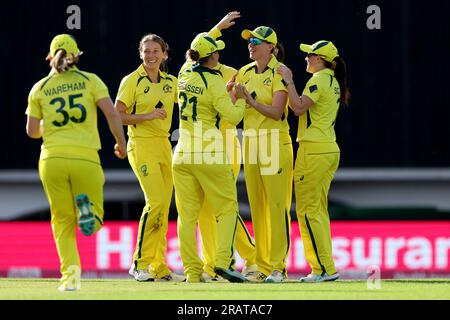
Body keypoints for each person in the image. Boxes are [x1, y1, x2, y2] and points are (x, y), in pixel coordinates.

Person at [25, 34, 127, 291]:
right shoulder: (90, 80)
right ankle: (89, 216)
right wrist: (121, 143)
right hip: (85, 157)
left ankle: (70, 279)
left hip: (51, 159)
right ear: (77, 56)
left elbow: (32, 131)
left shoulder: (40, 87)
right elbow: (112, 113)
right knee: (93, 223)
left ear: (50, 56)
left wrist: (48, 126)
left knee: (61, 221)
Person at [179, 11, 257, 282]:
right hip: (209, 150)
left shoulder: (183, 74)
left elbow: (196, 50)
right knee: (226, 210)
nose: (219, 57)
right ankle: (223, 263)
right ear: (211, 58)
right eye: (216, 54)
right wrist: (240, 97)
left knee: (187, 217)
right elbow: (233, 117)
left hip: (182, 152)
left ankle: (191, 271)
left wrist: (216, 29)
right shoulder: (214, 81)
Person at [277, 40, 350, 282]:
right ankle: (324, 267)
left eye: (310, 55)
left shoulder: (319, 79)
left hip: (314, 151)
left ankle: (323, 269)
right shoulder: (331, 79)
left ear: (321, 59)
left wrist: (288, 80)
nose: (306, 58)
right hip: (326, 148)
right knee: (317, 211)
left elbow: (297, 108)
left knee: (308, 211)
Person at [115, 34, 185, 282]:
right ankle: (139, 263)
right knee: (155, 202)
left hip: (164, 146)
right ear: (140, 53)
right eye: (146, 51)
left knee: (163, 207)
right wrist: (146, 116)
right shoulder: (132, 80)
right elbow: (117, 115)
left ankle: (158, 266)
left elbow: (190, 101)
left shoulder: (170, 81)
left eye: (156, 51)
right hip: (141, 145)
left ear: (164, 54)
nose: (151, 56)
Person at [232, 26, 294, 282]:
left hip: (275, 142)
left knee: (277, 206)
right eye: (249, 41)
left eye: (256, 41)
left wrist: (249, 100)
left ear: (271, 47)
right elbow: (235, 108)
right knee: (257, 207)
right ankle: (262, 266)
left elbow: (277, 112)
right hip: (252, 142)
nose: (251, 45)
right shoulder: (244, 72)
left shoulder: (280, 72)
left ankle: (279, 267)